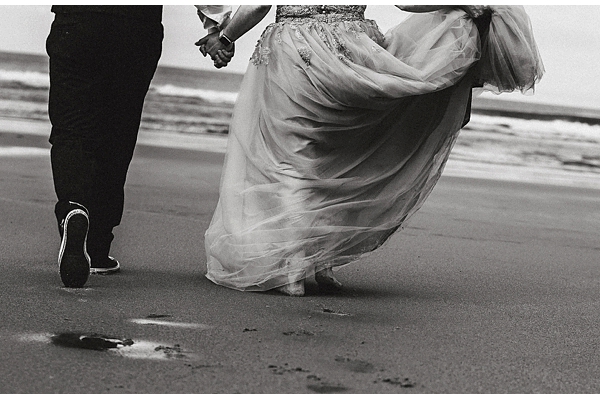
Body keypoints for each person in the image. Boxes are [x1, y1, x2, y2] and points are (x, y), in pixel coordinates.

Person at [195, 4, 542, 295]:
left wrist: (224, 37)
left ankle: (292, 271)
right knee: (335, 158)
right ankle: (320, 266)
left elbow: (259, 4)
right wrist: (466, 7)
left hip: (296, 51)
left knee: (292, 159)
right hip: (354, 48)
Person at [48, 6, 164, 288]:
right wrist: (217, 28)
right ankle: (97, 247)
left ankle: (74, 208)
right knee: (118, 135)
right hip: (138, 25)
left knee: (71, 128)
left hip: (77, 20)